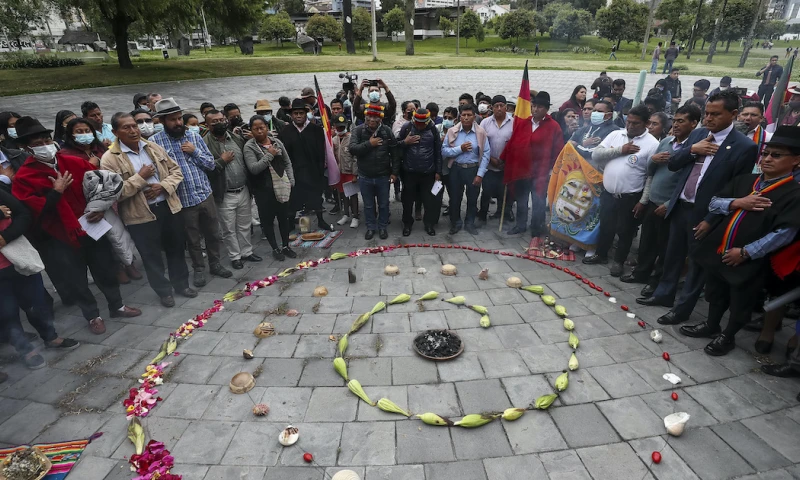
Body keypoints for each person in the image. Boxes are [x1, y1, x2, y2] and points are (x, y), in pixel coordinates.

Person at [636, 91, 758, 323]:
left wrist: (711, 220)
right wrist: (693, 150)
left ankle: (682, 310)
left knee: (696, 264)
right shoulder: (699, 134)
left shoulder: (743, 147)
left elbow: (736, 189)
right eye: (707, 113)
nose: (708, 118)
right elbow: (673, 164)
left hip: (706, 214)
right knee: (672, 256)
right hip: (680, 206)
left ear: (733, 114)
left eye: (715, 114)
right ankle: (663, 295)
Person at [12, 116, 141, 334]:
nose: (45, 146)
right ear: (27, 148)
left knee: (105, 269)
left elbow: (104, 186)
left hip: (92, 227)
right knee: (77, 279)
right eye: (38, 144)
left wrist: (100, 208)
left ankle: (117, 306)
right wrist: (56, 192)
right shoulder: (24, 176)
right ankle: (92, 316)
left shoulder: (72, 162)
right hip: (60, 237)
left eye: (47, 141)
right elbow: (30, 211)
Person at [681, 125, 800, 356]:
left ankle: (728, 336)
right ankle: (711, 324)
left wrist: (746, 252)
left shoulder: (793, 194)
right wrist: (737, 202)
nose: (767, 159)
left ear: (796, 160)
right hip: (720, 250)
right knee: (715, 291)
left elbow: (784, 233)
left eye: (776, 155)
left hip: (749, 258)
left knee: (740, 299)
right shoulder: (746, 181)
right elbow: (714, 203)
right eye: (765, 153)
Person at [100, 112, 195, 307]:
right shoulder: (109, 159)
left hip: (168, 207)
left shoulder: (152, 147)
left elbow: (176, 171)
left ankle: (182, 285)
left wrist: (163, 186)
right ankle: (164, 292)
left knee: (176, 249)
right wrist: (140, 177)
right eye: (126, 127)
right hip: (140, 216)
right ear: (115, 132)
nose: (133, 130)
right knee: (151, 257)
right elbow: (114, 193)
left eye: (134, 125)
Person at [151, 98, 233, 286]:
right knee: (192, 239)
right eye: (172, 119)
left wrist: (194, 151)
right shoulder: (155, 143)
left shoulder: (194, 137)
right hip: (182, 200)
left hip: (204, 194)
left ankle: (215, 264)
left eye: (179, 118)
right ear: (162, 121)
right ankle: (198, 269)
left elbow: (211, 165)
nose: (178, 123)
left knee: (213, 233)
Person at [0, 187, 80, 369]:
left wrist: (6, 236)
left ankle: (51, 337)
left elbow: (23, 214)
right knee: (7, 313)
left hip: (20, 259)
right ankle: (25, 350)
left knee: (37, 303)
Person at [624, 106, 700, 295]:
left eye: (681, 121)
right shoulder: (666, 142)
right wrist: (654, 160)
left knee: (665, 246)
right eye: (674, 121)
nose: (676, 125)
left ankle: (655, 281)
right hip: (653, 200)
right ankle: (641, 273)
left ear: (694, 123)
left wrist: (668, 204)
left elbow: (689, 180)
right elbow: (650, 171)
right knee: (647, 241)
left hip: (671, 206)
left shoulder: (693, 149)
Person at [583, 105, 659, 275]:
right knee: (606, 226)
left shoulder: (652, 144)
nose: (630, 126)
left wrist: (643, 201)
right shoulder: (616, 135)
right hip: (609, 193)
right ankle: (601, 254)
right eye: (628, 122)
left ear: (646, 123)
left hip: (631, 196)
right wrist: (620, 150)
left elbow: (651, 175)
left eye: (635, 123)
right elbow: (596, 155)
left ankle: (619, 261)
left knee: (626, 230)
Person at [202, 109, 260, 270]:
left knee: (244, 224)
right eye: (214, 121)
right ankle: (235, 256)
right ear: (207, 124)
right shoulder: (204, 143)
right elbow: (206, 169)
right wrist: (222, 160)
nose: (219, 123)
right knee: (228, 228)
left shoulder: (236, 138)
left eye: (221, 120)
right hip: (225, 193)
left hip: (243, 189)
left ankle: (247, 252)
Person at [508, 92, 563, 237]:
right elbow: (515, 143)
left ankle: (537, 226)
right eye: (534, 106)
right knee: (521, 199)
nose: (535, 109)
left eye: (539, 107)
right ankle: (520, 225)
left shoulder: (554, 127)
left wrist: (552, 170)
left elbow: (558, 150)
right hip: (522, 169)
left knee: (538, 200)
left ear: (546, 109)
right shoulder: (524, 123)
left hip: (541, 171)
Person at [244, 115, 296, 260]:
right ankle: (275, 248)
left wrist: (291, 180)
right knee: (267, 220)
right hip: (263, 190)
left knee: (284, 218)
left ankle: (286, 246)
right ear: (251, 130)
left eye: (262, 127)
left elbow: (287, 162)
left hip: (282, 186)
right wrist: (269, 155)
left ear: (267, 127)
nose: (260, 131)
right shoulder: (249, 147)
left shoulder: (276, 142)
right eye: (256, 129)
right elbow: (254, 168)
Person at [280, 98, 333, 231]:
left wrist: (320, 171)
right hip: (294, 172)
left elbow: (321, 153)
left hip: (312, 171)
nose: (298, 116)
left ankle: (321, 220)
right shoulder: (285, 132)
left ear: (306, 114)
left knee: (316, 197)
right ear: (291, 115)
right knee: (293, 199)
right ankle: (290, 223)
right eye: (295, 113)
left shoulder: (316, 130)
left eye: (301, 113)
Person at [349, 104, 397, 240]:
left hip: (383, 175)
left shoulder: (387, 131)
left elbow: (395, 152)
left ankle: (382, 227)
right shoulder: (358, 130)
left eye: (375, 117)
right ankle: (370, 227)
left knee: (384, 204)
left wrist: (394, 172)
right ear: (365, 117)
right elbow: (352, 149)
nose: (371, 120)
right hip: (365, 175)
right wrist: (369, 144)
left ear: (380, 118)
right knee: (368, 205)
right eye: (369, 116)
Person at [442, 104, 490, 235]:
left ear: (474, 117)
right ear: (460, 117)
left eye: (469, 115)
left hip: (473, 169)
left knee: (473, 198)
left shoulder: (481, 132)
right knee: (455, 198)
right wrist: (460, 149)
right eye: (464, 115)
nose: (466, 117)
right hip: (456, 169)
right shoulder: (452, 131)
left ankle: (470, 223)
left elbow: (486, 154)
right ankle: (455, 223)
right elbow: (444, 151)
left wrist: (480, 174)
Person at [397, 108, 442, 236]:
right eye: (417, 123)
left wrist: (438, 171)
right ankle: (407, 224)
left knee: (429, 200)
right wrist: (405, 142)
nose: (420, 125)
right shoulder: (406, 128)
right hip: (409, 171)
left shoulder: (433, 130)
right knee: (407, 200)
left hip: (428, 172)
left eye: (422, 123)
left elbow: (438, 151)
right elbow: (396, 146)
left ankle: (429, 224)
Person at [478, 95, 515, 224]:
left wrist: (506, 161)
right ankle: (482, 215)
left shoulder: (513, 123)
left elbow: (516, 144)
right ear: (491, 108)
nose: (499, 108)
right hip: (489, 165)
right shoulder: (485, 123)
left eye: (501, 105)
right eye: (496, 106)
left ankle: (502, 213)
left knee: (504, 191)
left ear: (506, 107)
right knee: (486, 191)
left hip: (506, 165)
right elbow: (481, 144)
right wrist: (491, 159)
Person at [570, 99, 620, 164]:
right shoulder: (586, 128)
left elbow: (596, 153)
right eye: (594, 111)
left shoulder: (613, 131)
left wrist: (577, 145)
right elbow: (569, 143)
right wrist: (582, 144)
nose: (595, 113)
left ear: (609, 115)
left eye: (599, 111)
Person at [332, 115, 359, 228]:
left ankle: (355, 216)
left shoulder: (351, 138)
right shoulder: (334, 140)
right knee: (342, 194)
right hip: (340, 172)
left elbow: (355, 158)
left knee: (352, 195)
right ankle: (346, 214)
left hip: (350, 172)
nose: (340, 129)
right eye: (338, 127)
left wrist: (355, 174)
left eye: (342, 127)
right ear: (335, 126)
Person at [739, 102, 772, 173]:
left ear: (761, 119)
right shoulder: (727, 133)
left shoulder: (768, 138)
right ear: (738, 116)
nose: (748, 118)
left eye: (753, 115)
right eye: (745, 114)